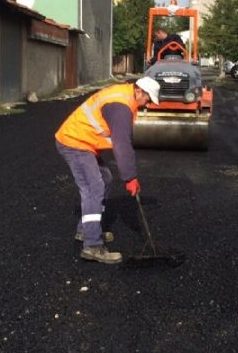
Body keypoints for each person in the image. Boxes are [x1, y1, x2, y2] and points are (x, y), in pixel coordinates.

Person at [55, 77, 161, 264]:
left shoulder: (125, 95)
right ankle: (93, 246)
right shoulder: (121, 106)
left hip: (84, 142)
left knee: (105, 178)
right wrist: (130, 177)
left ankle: (86, 229)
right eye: (148, 99)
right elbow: (122, 145)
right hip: (74, 142)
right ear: (139, 91)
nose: (148, 104)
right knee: (93, 188)